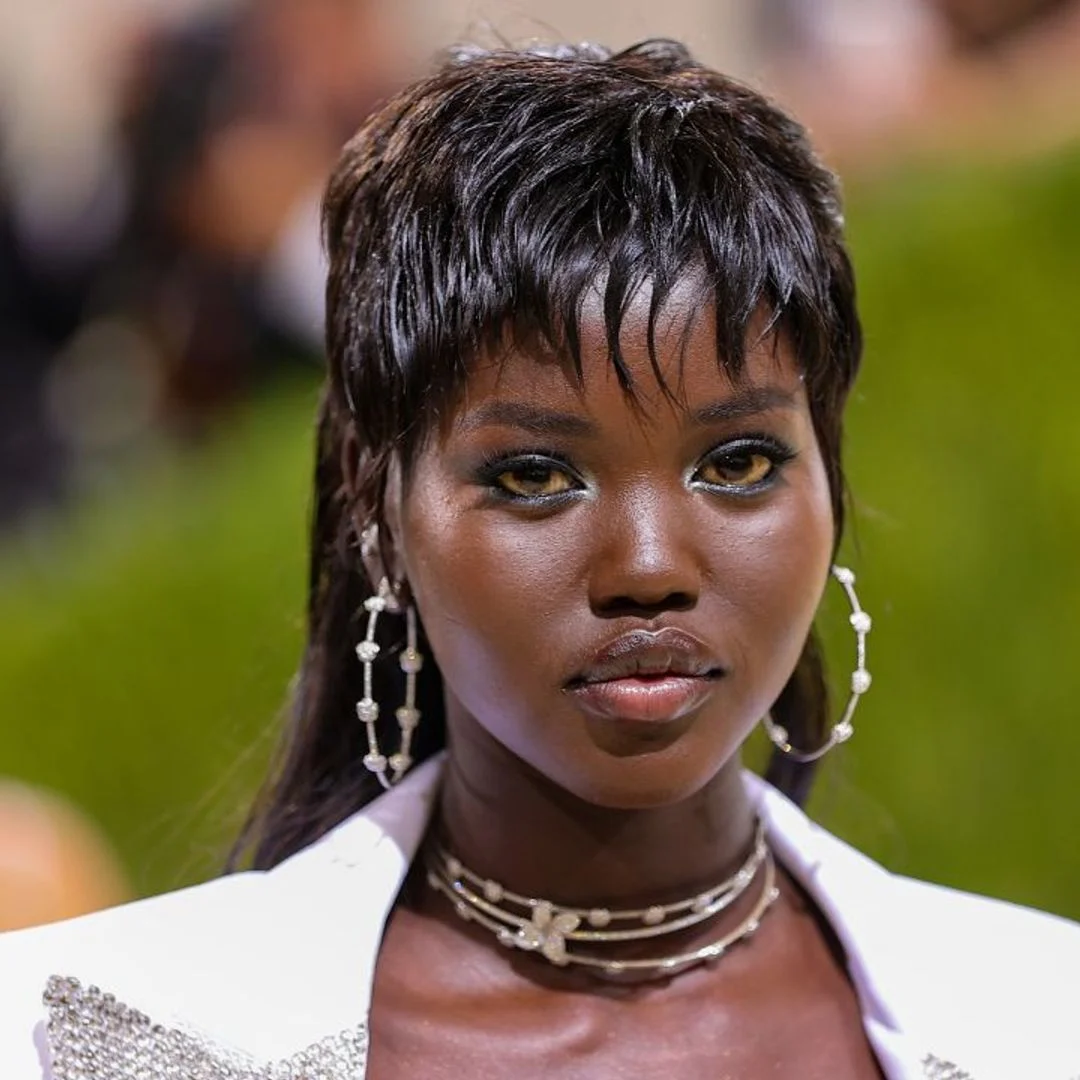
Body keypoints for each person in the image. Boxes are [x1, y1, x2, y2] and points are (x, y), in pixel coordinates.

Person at [1, 39, 1077, 1080]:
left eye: (739, 463)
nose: (649, 566)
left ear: (829, 480)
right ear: (379, 504)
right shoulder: (79, 1038)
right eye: (533, 476)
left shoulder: (1041, 1017)